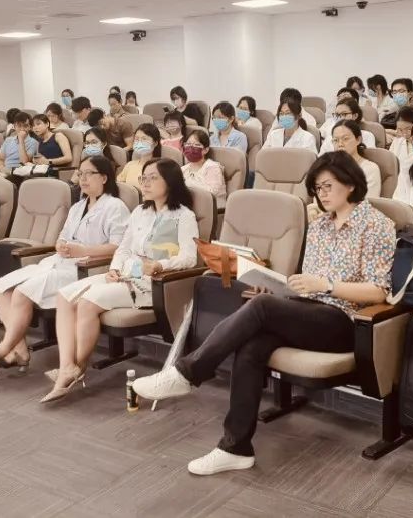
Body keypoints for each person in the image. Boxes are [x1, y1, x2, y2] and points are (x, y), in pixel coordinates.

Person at [131, 151, 396, 475]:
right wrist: (280, 289)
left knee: (260, 308)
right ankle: (235, 448)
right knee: (252, 344)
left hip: (346, 322)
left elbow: (378, 291)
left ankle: (187, 373)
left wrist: (327, 285)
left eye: (328, 186)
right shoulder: (319, 226)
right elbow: (306, 286)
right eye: (317, 188)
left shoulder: (377, 225)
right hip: (308, 311)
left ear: (351, 184)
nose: (321, 194)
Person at [43, 158, 199, 402]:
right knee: (64, 296)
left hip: (151, 284)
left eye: (152, 178)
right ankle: (68, 366)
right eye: (143, 178)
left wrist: (161, 265)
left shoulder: (183, 216)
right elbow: (123, 248)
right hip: (125, 275)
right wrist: (114, 268)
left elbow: (189, 258)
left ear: (170, 182)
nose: (145, 183)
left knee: (87, 303)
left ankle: (77, 367)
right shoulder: (140, 212)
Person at [0, 155, 130, 376]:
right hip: (59, 262)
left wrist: (83, 251)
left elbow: (118, 247)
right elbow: (64, 236)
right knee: (1, 288)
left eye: (89, 174)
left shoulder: (115, 207)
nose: (83, 178)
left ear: (104, 177)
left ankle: (2, 350)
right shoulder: (78, 206)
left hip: (86, 268)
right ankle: (19, 349)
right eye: (80, 173)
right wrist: (60, 244)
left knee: (21, 292)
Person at [331, 120, 380, 198]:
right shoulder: (328, 168)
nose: (340, 144)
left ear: (358, 140)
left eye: (345, 139)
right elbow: (318, 198)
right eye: (335, 140)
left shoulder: (370, 169)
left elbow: (368, 202)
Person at [182, 129, 227, 203]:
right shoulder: (183, 169)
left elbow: (212, 193)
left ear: (206, 150)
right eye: (188, 144)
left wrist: (186, 183)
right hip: (190, 204)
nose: (191, 147)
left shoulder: (212, 167)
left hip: (213, 206)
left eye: (196, 145)